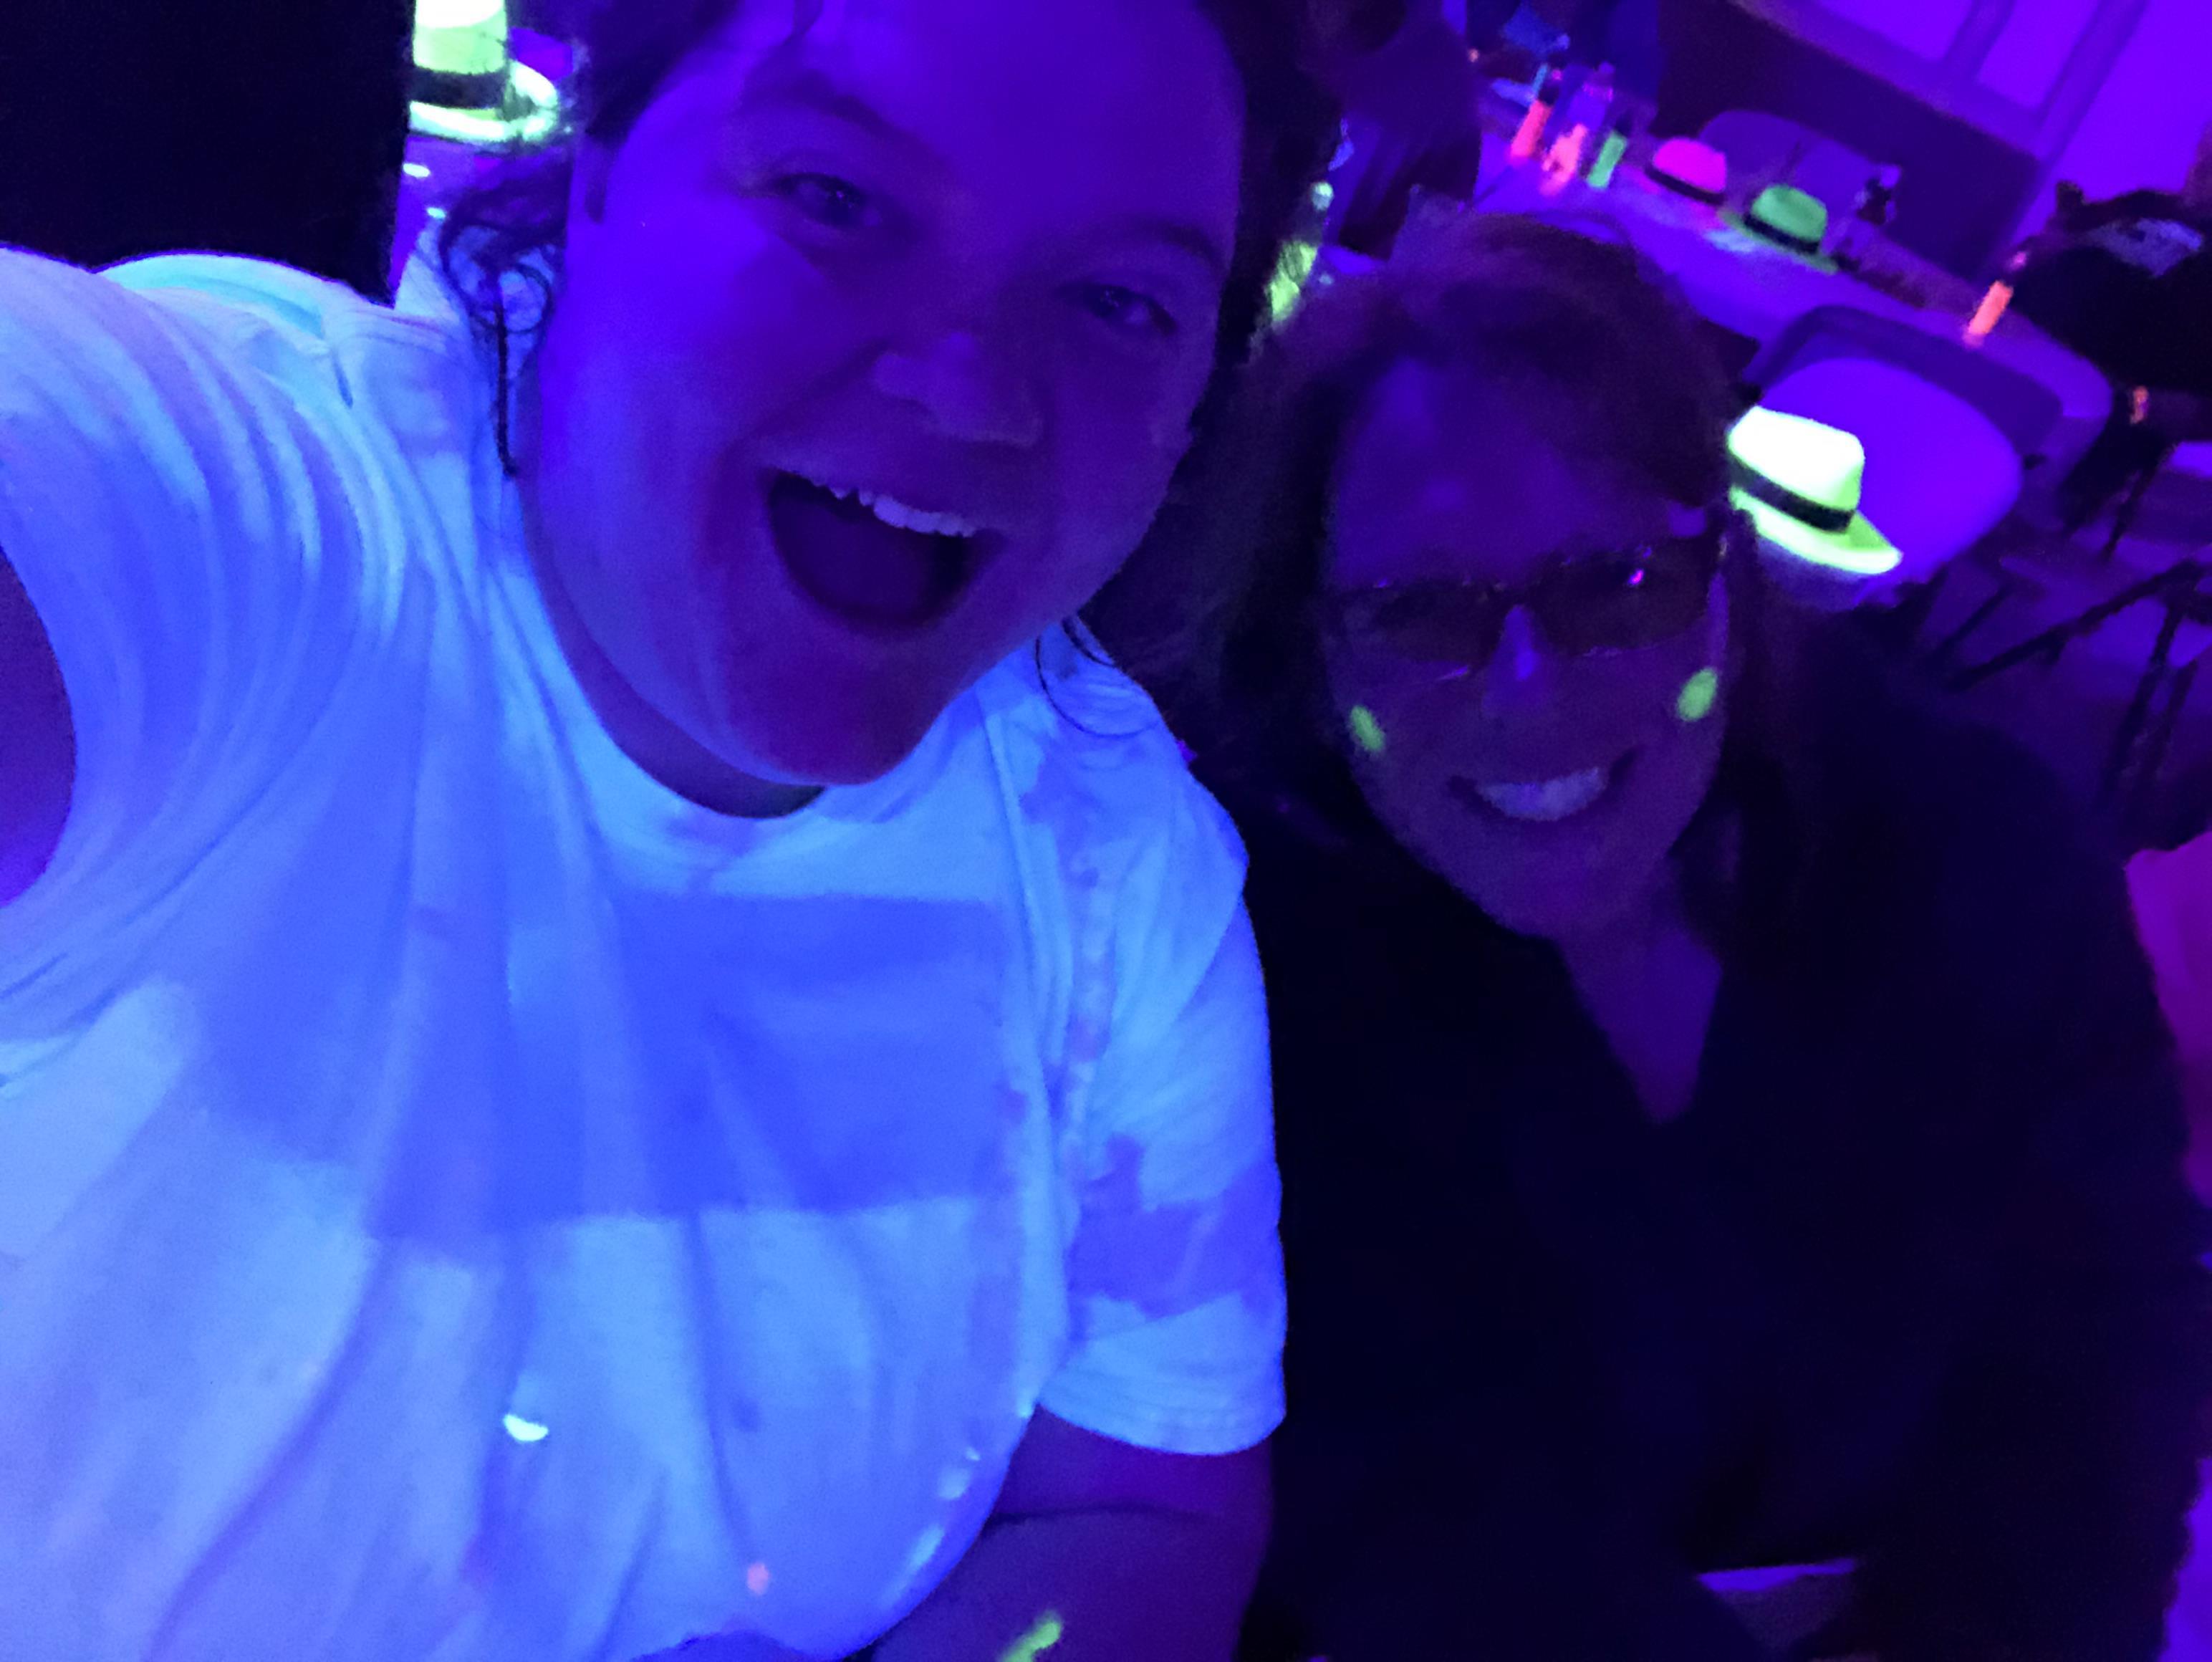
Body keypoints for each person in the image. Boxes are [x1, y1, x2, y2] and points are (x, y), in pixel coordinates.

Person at [0, 1, 1335, 1658]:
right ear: (606, 169)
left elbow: (1145, 1509)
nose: (980, 393)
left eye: (1120, 302)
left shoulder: (1119, 863)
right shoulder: (262, 521)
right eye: (838, 199)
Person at [1107, 213, 2208, 1660]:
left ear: (1726, 584)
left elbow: (2097, 1373)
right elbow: (1408, 1501)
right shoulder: (1234, 958)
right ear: (1312, 659)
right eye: (1418, 611)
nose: (1526, 687)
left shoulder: (1979, 856)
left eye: (1611, 585)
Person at [2014, 123, 2212, 529]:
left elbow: (2199, 411)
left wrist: (2130, 403)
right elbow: (2042, 245)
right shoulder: (2145, 204)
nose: (2202, 169)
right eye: (2203, 154)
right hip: (2026, 350)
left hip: (2110, 403)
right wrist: (2045, 247)